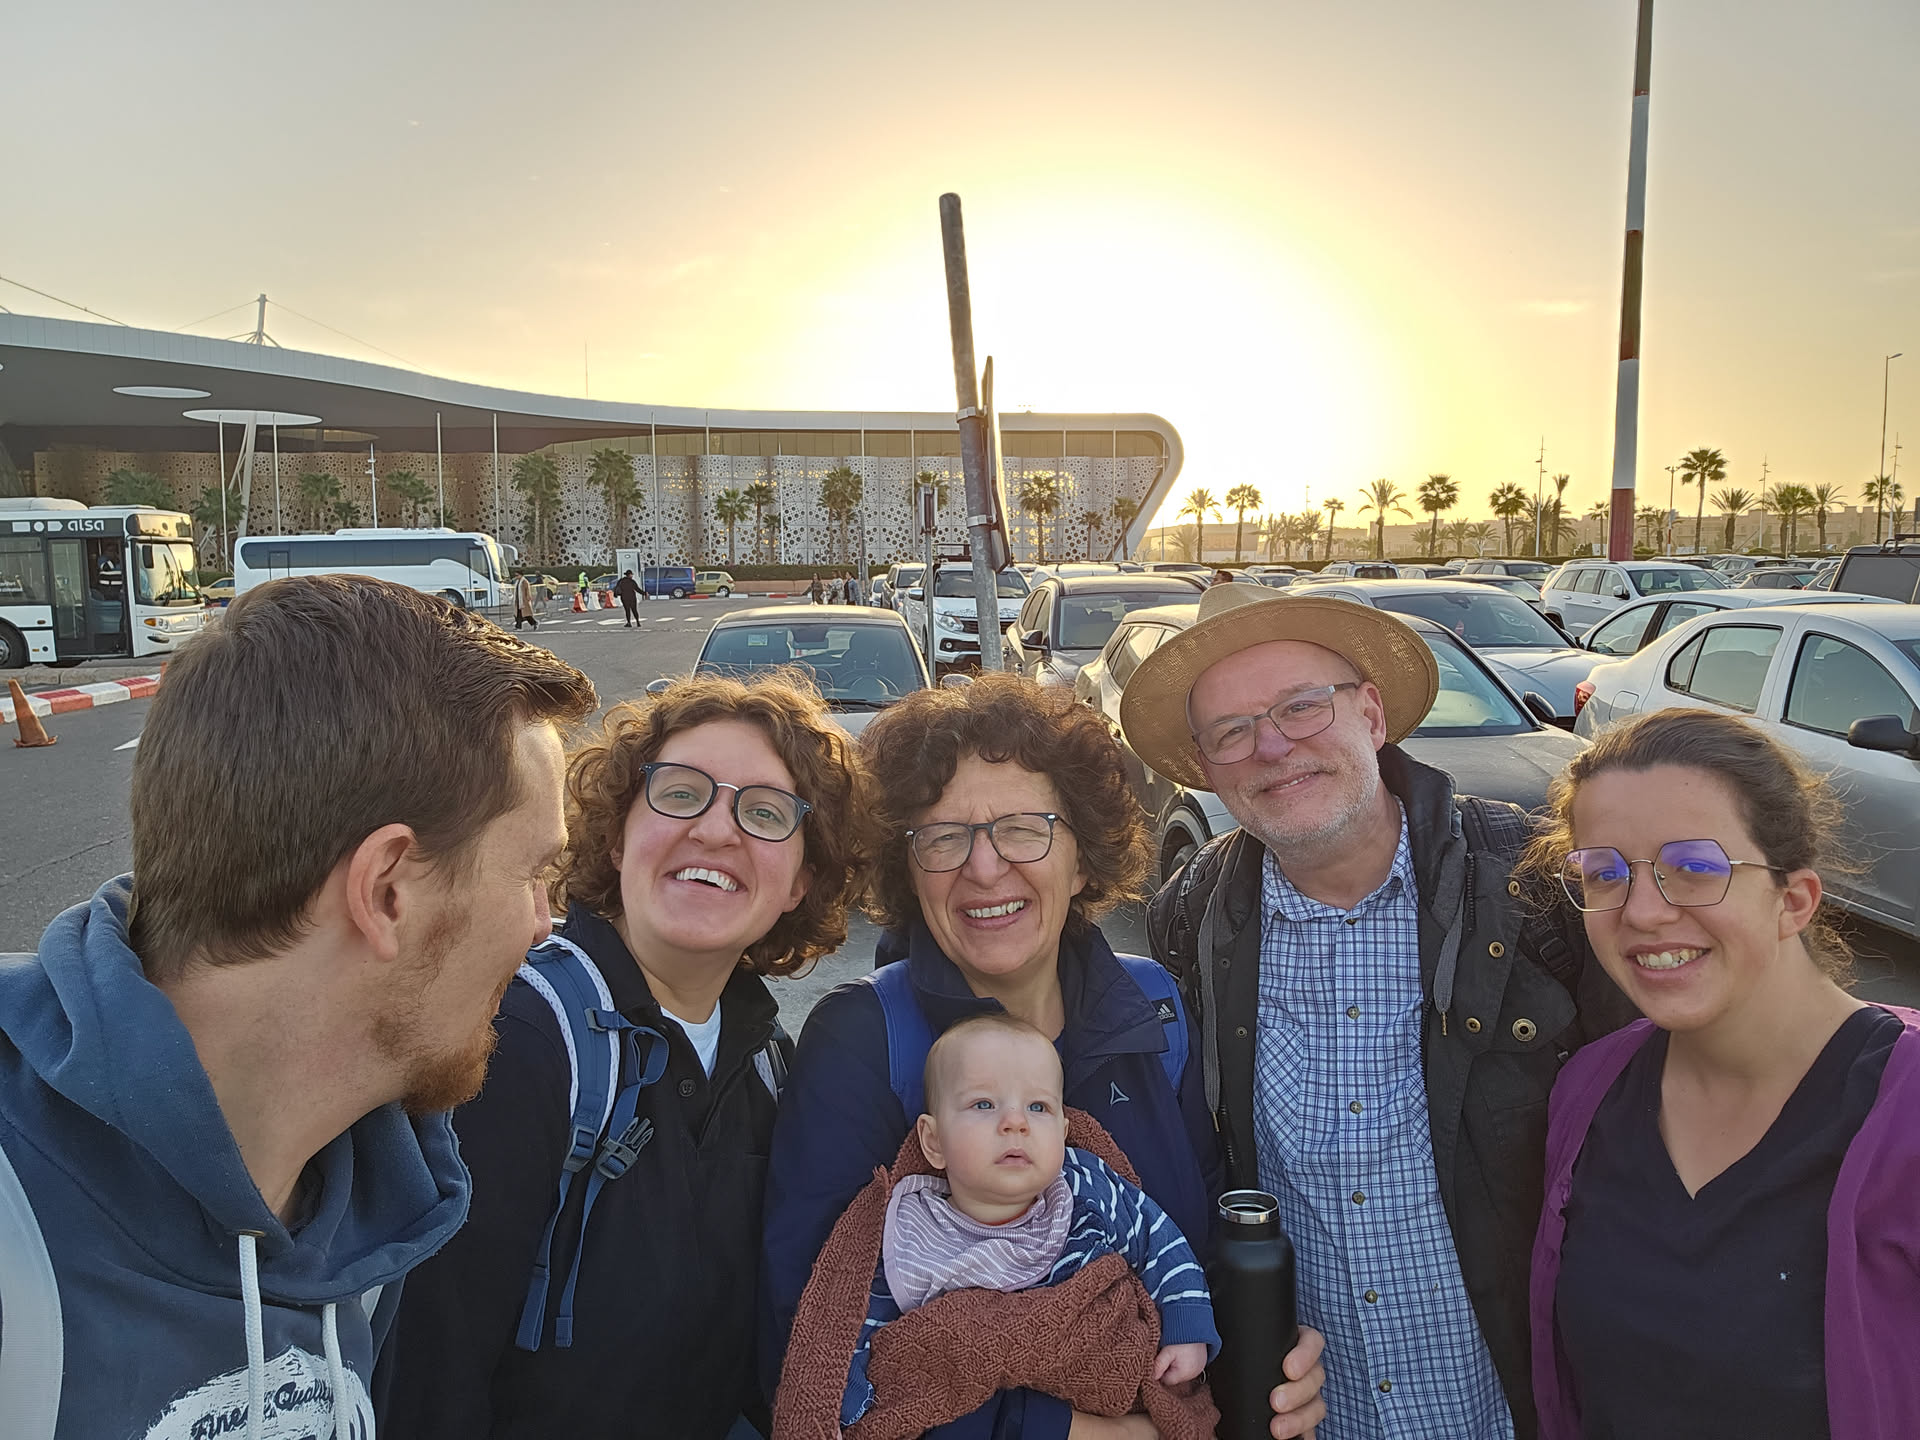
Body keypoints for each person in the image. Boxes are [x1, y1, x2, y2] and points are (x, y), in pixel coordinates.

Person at [0, 575, 596, 1440]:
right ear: (386, 891)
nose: (545, 923)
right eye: (534, 874)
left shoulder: (374, 1216)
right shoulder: (17, 1224)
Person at [1127, 583, 1633, 1440]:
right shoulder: (1192, 921)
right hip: (1324, 1418)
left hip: (1523, 1411)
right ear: (1206, 769)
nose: (1272, 746)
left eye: (1301, 706)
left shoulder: (1534, 882)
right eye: (1231, 732)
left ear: (1370, 714)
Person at [763, 672, 1327, 1440]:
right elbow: (811, 1340)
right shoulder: (863, 1039)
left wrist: (1260, 1372)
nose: (984, 867)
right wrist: (1068, 1431)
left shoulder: (1155, 1008)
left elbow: (1201, 1255)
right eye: (943, 837)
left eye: (1024, 828)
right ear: (908, 870)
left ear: (1083, 857)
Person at [377, 673, 871, 1440]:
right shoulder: (521, 1039)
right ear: (616, 837)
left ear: (800, 883)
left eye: (766, 813)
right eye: (680, 794)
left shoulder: (770, 1065)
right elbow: (430, 1382)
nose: (716, 830)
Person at [1523, 710, 1920, 1440]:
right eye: (1605, 874)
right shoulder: (1588, 1091)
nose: (1643, 912)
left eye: (1695, 868)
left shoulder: (1905, 1109)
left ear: (1794, 900)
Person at [826, 1013, 1219, 1430]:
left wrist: (1186, 1323)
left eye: (1038, 1106)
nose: (1016, 1122)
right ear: (934, 1141)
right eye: (984, 1104)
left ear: (1062, 1133)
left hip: (1104, 1385)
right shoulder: (915, 1230)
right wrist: (855, 1397)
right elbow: (864, 1324)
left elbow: (1157, 1239)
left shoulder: (1083, 1186)